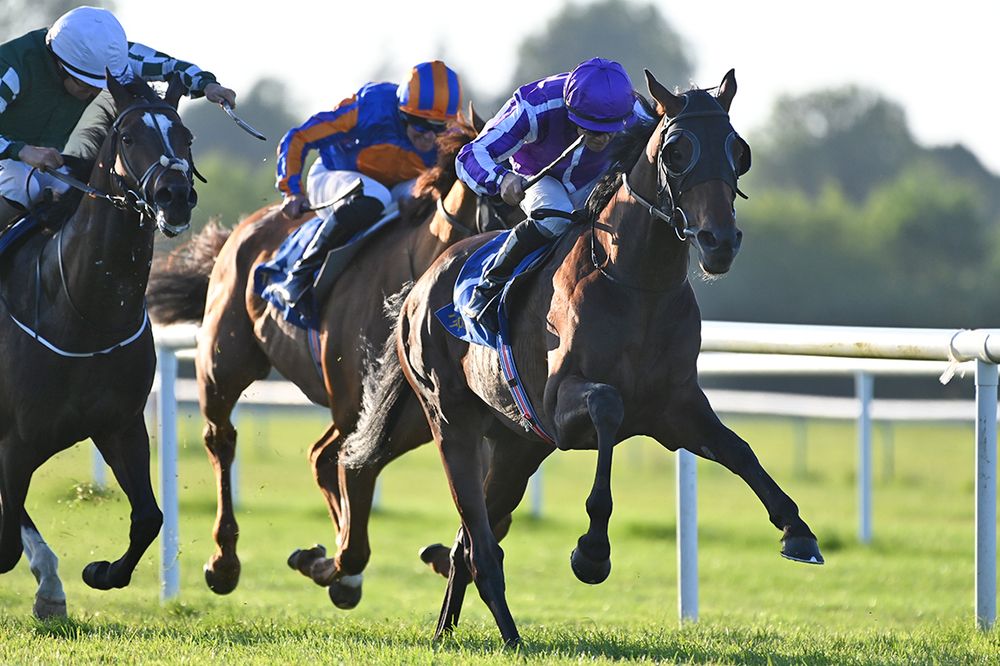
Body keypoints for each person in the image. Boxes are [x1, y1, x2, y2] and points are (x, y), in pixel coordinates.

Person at [0, 6, 237, 232]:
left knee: (84, 190)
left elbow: (167, 66)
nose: (93, 94)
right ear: (60, 65)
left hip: (38, 163)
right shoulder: (12, 68)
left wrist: (206, 84)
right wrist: (20, 150)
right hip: (10, 163)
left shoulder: (95, 54)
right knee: (20, 185)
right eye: (87, 86)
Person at [456, 57, 645, 321]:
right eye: (592, 129)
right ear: (570, 112)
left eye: (610, 130)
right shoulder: (536, 105)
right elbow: (470, 155)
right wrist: (501, 180)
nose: (603, 138)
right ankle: (488, 287)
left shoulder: (634, 112)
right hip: (538, 175)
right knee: (556, 216)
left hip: (596, 179)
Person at [271, 60, 462, 309]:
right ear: (403, 113)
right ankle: (299, 275)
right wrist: (292, 191)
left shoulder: (448, 135)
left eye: (438, 128)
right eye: (421, 124)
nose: (429, 136)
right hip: (334, 175)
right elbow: (298, 137)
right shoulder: (371, 107)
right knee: (377, 195)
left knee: (434, 196)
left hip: (393, 185)